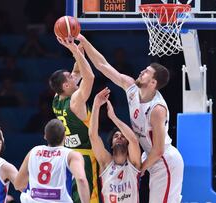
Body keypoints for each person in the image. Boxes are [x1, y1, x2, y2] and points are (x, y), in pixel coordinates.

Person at [78, 35, 184, 203]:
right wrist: (83, 41)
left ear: (153, 83)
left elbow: (158, 150)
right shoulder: (131, 88)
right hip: (148, 155)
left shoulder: (157, 109)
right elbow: (103, 65)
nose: (142, 71)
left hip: (164, 161)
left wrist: (140, 169)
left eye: (147, 72)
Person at [49, 38, 98, 203]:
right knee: (89, 199)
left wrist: (77, 52)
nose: (73, 77)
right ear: (66, 86)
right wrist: (76, 52)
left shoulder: (57, 98)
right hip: (85, 157)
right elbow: (89, 77)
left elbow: (77, 73)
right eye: (69, 78)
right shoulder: (75, 101)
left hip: (68, 155)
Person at [14, 119, 90, 203]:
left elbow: (18, 184)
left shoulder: (33, 151)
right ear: (65, 136)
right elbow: (81, 179)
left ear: (45, 136)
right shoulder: (71, 155)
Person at [89, 88, 141, 203]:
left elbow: (133, 140)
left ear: (127, 144)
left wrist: (113, 117)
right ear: (111, 145)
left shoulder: (133, 163)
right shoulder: (106, 162)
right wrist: (96, 105)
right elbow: (93, 136)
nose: (119, 137)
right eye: (116, 136)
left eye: (122, 136)